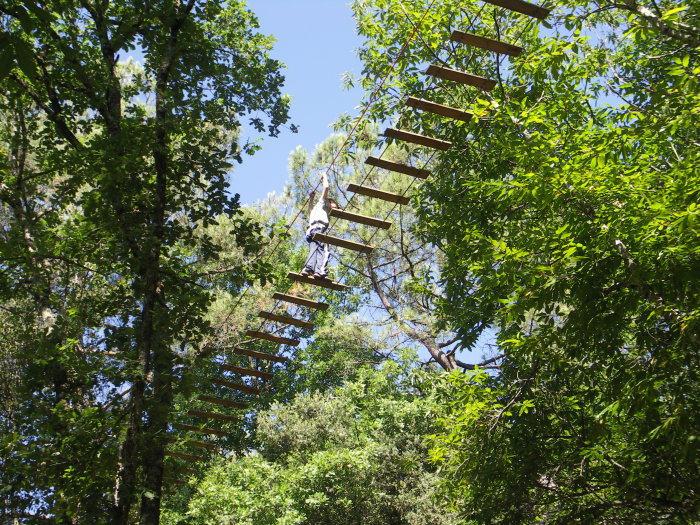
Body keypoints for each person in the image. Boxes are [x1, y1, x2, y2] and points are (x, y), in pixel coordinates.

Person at [301, 170, 338, 278]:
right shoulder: (323, 202)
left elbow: (310, 210)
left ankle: (308, 269)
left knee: (314, 249)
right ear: (329, 202)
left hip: (310, 231)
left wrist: (311, 199)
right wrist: (324, 176)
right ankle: (320, 271)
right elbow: (326, 187)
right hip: (318, 228)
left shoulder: (316, 208)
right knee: (323, 250)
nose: (335, 206)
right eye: (334, 204)